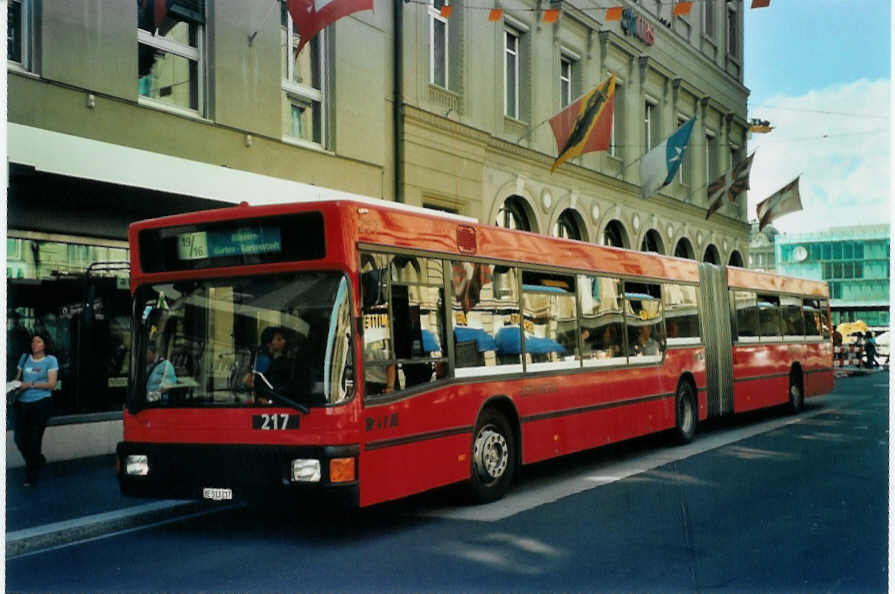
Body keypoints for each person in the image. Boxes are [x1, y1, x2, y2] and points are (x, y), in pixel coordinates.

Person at [12, 333, 59, 486]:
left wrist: (30, 385)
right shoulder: (24, 358)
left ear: (45, 344)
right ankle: (37, 460)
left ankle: (31, 476)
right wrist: (15, 386)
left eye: (38, 341)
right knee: (19, 439)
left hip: (41, 404)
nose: (34, 344)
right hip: (22, 403)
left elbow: (52, 384)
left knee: (34, 440)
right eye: (33, 341)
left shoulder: (50, 360)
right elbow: (18, 378)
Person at [244, 327, 293, 402]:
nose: (283, 341)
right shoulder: (264, 359)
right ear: (269, 343)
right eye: (279, 339)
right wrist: (258, 398)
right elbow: (248, 381)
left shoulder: (268, 357)